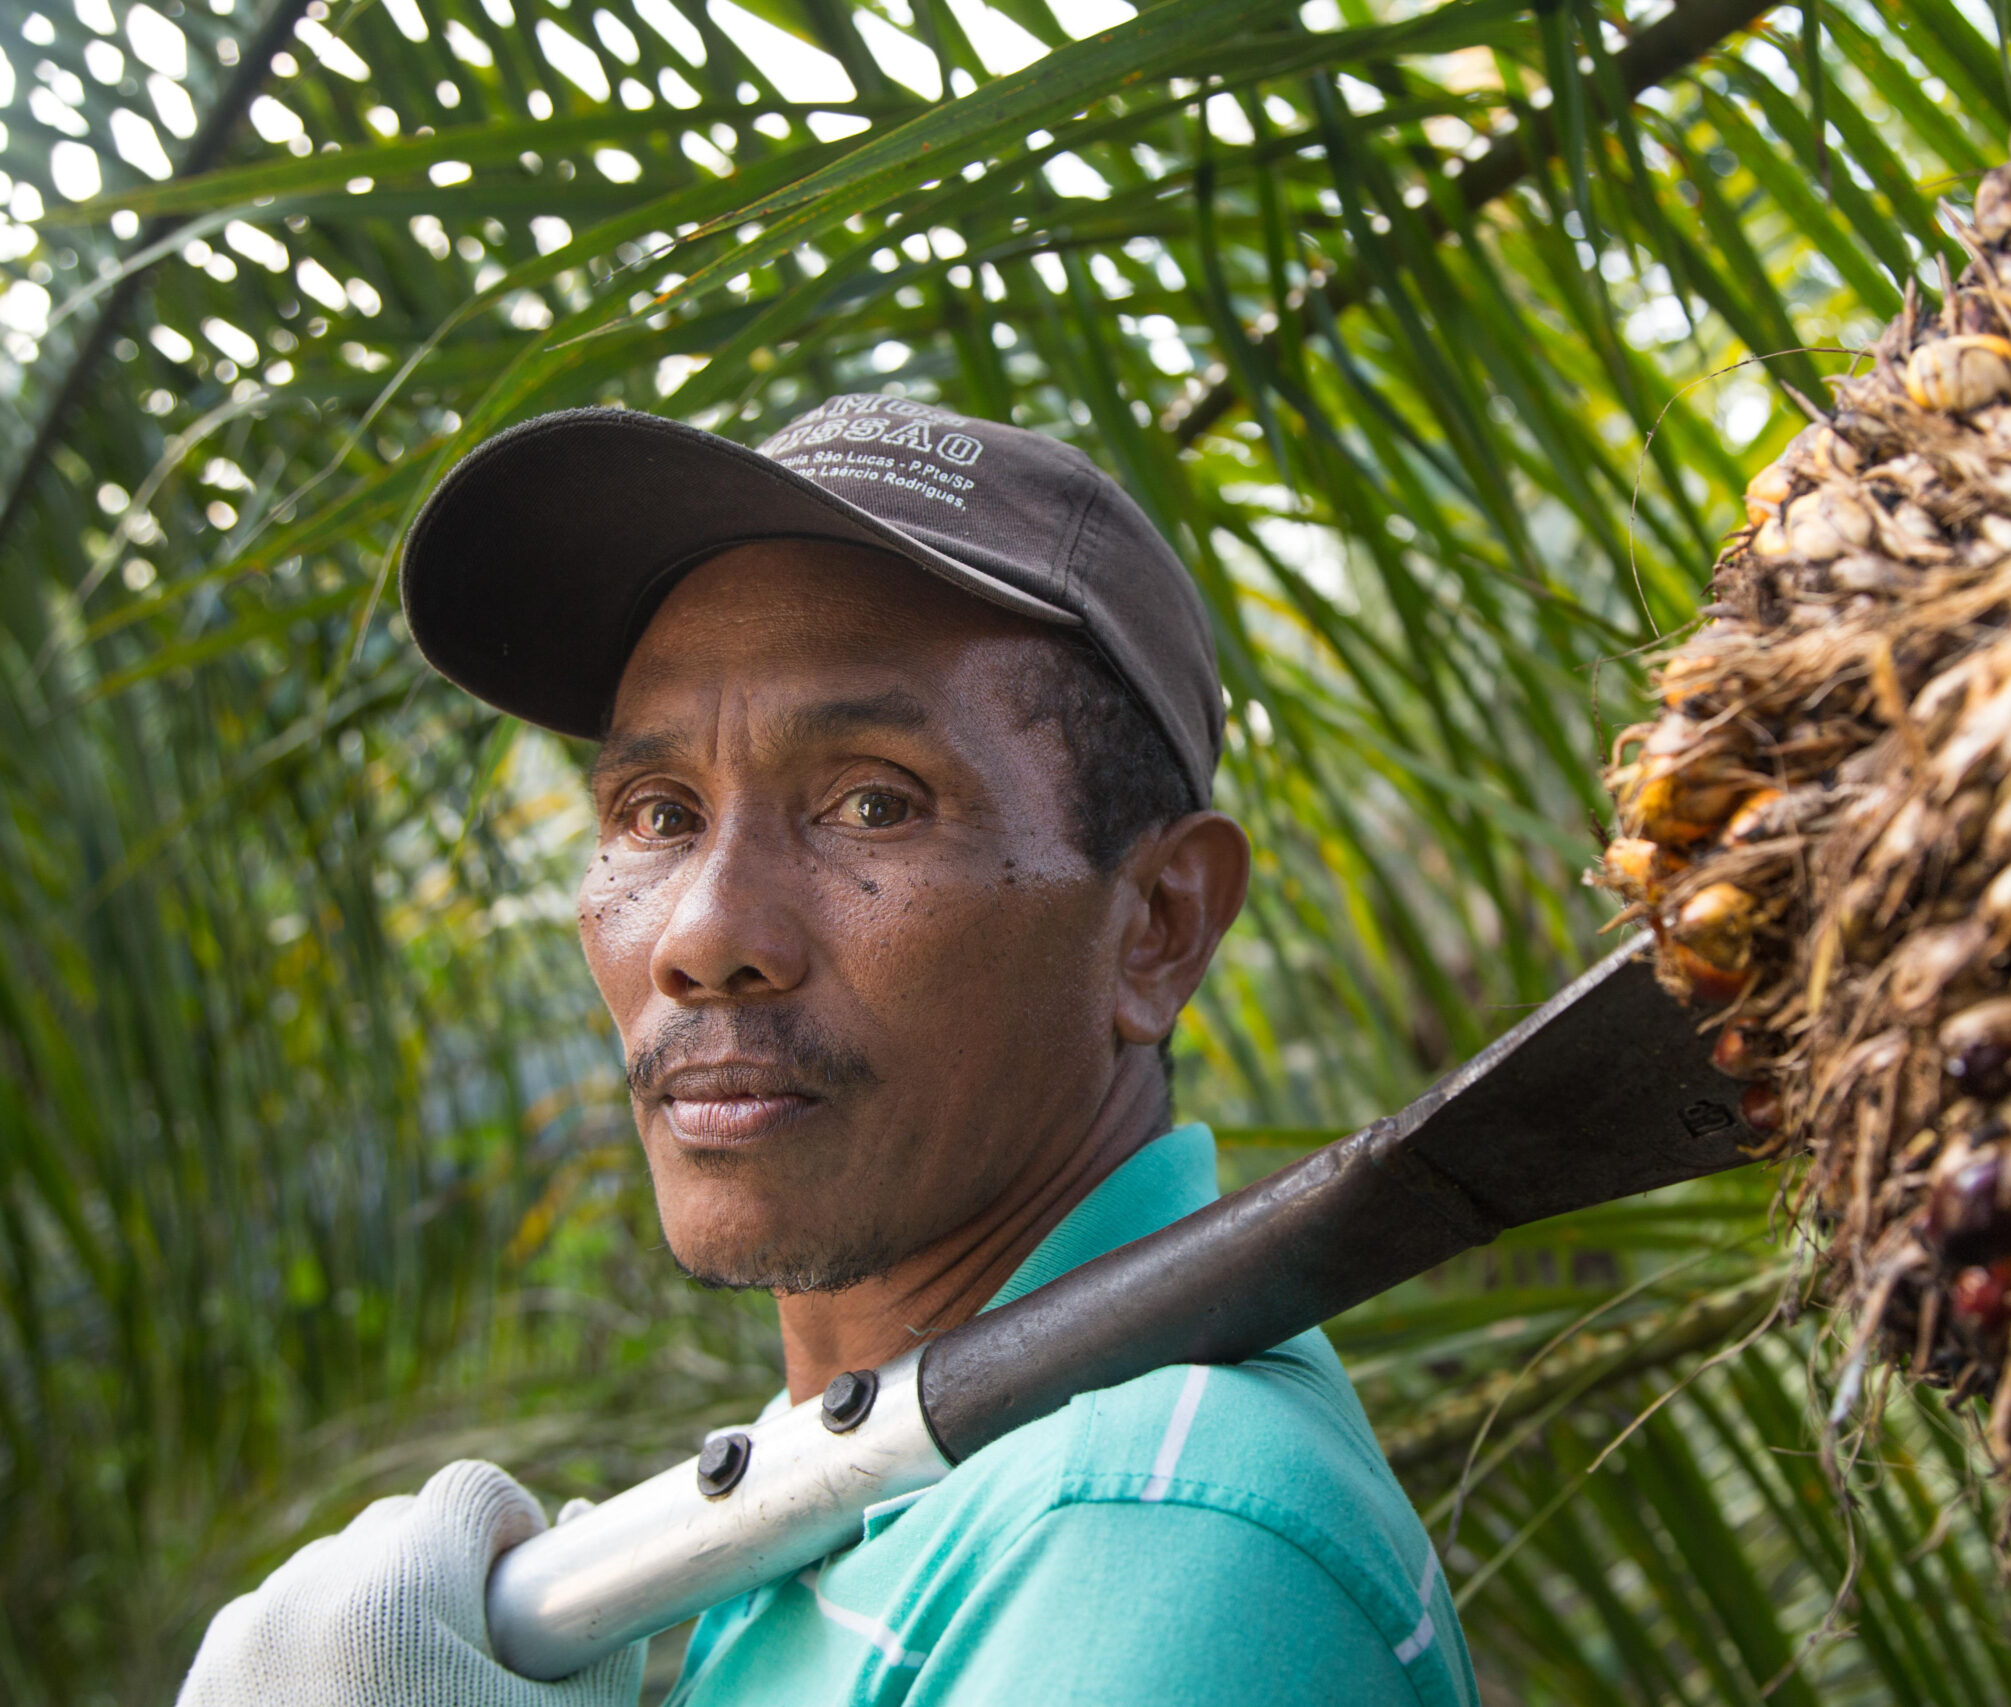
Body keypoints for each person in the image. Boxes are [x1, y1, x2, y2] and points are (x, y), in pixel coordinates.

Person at [175, 393, 1478, 1705]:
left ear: (1158, 925)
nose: (702, 938)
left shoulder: (1149, 1534)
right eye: (658, 814)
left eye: (872, 804)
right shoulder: (868, 1487)